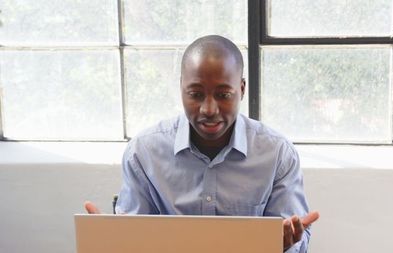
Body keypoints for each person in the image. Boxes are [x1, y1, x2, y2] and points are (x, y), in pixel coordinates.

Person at [85, 35, 319, 252]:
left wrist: (286, 245)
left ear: (242, 89)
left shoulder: (277, 154)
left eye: (223, 94)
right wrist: (110, 238)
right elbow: (133, 240)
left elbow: (295, 237)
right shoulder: (143, 153)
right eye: (196, 94)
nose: (209, 109)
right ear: (181, 89)